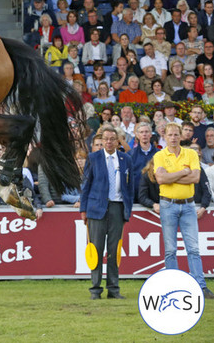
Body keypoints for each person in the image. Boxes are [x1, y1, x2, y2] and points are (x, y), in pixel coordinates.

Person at [153, 123, 214, 298]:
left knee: (193, 248)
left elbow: (195, 178)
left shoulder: (191, 153)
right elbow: (160, 179)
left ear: (181, 136)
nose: (173, 138)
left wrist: (171, 176)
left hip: (188, 205)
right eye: (170, 135)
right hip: (168, 204)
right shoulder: (159, 155)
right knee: (170, 249)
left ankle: (200, 286)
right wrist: (182, 173)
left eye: (175, 135)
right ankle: (173, 286)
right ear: (165, 136)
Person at [80, 126, 134, 300]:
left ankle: (113, 288)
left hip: (117, 208)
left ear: (118, 141)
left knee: (114, 249)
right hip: (96, 209)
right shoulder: (93, 158)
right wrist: (83, 210)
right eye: (106, 139)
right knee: (95, 248)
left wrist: (127, 209)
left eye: (112, 139)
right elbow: (86, 186)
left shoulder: (126, 159)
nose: (109, 142)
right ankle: (95, 289)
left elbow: (130, 187)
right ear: (102, 141)